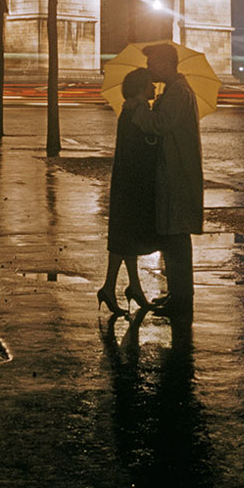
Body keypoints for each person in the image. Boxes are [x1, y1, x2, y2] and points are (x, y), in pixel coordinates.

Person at [133, 43, 203, 322]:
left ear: (165, 63)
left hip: (177, 172)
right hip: (172, 170)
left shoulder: (178, 92)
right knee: (173, 236)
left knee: (176, 237)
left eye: (152, 63)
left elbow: (160, 125)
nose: (149, 69)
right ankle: (177, 293)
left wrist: (139, 109)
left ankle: (182, 299)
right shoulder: (173, 91)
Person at [97, 67, 160, 316]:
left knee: (125, 235)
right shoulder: (140, 111)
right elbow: (152, 138)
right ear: (140, 88)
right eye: (150, 84)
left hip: (125, 179)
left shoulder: (128, 109)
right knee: (127, 235)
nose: (154, 88)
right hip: (135, 181)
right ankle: (113, 287)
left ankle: (127, 286)